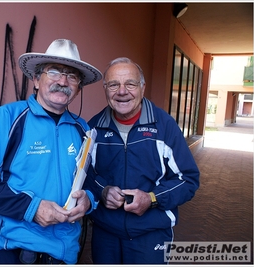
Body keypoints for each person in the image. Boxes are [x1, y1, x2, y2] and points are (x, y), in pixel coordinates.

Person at [0, 39, 102, 264]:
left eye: (72, 76)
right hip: (11, 249)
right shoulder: (8, 118)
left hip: (63, 254)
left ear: (78, 89)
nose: (63, 81)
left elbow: (93, 179)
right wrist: (32, 208)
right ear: (36, 80)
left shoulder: (82, 129)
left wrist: (89, 200)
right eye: (54, 71)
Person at [83, 57, 200, 264]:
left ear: (142, 87)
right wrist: (103, 190)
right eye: (113, 84)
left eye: (130, 83)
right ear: (105, 89)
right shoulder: (94, 128)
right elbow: (84, 176)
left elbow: (187, 180)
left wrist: (152, 198)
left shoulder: (164, 126)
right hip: (105, 234)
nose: (121, 91)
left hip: (151, 234)